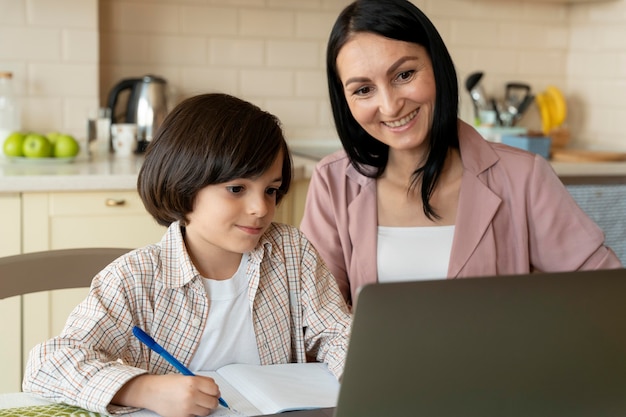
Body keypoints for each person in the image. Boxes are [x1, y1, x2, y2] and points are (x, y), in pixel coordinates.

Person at [23, 93, 351, 417]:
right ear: (184, 184)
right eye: (237, 189)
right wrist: (144, 389)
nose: (261, 208)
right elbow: (47, 365)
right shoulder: (135, 278)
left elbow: (338, 334)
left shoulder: (292, 252)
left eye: (271, 190)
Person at [300, 0, 622, 307]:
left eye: (404, 75)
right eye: (363, 90)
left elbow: (606, 293)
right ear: (345, 100)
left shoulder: (524, 177)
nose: (389, 105)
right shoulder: (332, 183)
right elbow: (310, 323)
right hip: (372, 368)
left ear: (436, 67)